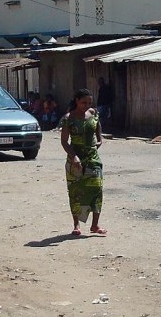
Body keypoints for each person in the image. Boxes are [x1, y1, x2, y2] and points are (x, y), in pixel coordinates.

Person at [60, 88, 106, 236]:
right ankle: (76, 225)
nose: (86, 105)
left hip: (92, 157)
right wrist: (74, 156)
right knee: (76, 191)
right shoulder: (68, 118)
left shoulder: (93, 113)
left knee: (96, 189)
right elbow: (64, 141)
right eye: (83, 102)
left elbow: (97, 127)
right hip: (75, 159)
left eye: (89, 102)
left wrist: (99, 140)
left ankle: (95, 225)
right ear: (76, 101)